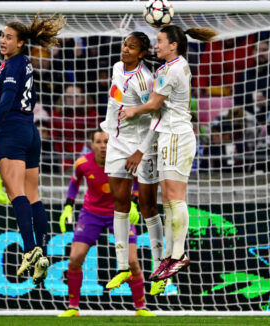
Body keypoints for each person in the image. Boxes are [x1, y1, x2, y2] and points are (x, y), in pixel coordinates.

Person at [120, 25, 217, 282]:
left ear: (173, 45)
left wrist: (132, 111)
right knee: (168, 201)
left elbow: (153, 105)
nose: (157, 45)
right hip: (170, 135)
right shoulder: (174, 65)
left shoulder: (172, 69)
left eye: (161, 41)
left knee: (175, 198)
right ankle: (170, 256)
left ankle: (179, 255)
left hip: (176, 136)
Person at [0, 14, 66, 285]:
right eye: (2, 35)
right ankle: (44, 253)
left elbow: (5, 103)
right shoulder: (25, 62)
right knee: (33, 195)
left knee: (16, 194)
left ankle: (29, 250)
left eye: (9, 37)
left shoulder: (13, 65)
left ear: (21, 43)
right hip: (31, 132)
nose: (3, 40)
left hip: (12, 132)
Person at [57, 129, 155, 317]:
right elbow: (74, 182)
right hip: (91, 214)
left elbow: (139, 181)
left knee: (132, 261)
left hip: (120, 213)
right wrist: (68, 205)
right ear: (92, 145)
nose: (103, 145)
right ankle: (73, 307)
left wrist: (134, 202)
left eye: (106, 142)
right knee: (75, 258)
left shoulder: (125, 161)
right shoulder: (82, 163)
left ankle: (141, 307)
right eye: (99, 142)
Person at [97, 32, 165, 296]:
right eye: (125, 44)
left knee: (148, 206)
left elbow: (158, 118)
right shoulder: (116, 67)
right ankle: (123, 266)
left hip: (143, 147)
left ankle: (160, 269)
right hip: (116, 143)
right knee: (120, 204)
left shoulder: (146, 80)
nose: (125, 49)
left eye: (132, 47)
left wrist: (140, 151)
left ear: (142, 53)